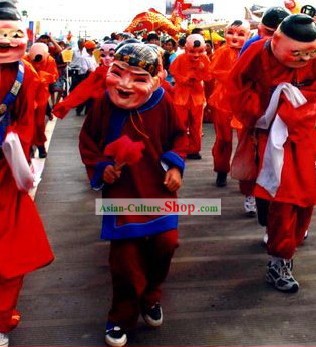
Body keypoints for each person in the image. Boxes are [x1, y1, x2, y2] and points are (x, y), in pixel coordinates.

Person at [79, 41, 187, 346]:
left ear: (156, 78)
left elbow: (179, 137)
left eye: (137, 78)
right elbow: (88, 140)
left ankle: (151, 293)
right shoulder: (104, 103)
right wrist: (102, 168)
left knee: (167, 243)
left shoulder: (164, 102)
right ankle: (120, 316)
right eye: (119, 73)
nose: (125, 84)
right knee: (125, 259)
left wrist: (176, 167)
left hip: (158, 188)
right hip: (121, 193)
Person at [227, 13, 316, 293]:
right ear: (276, 41)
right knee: (283, 196)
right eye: (297, 53)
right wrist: (265, 108)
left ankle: (288, 239)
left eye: (310, 52)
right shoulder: (257, 51)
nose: (304, 59)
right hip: (271, 137)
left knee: (306, 197)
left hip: (308, 134)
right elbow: (235, 88)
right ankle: (280, 258)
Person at [0, 1, 54, 346]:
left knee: (9, 249)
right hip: (6, 171)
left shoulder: (27, 74)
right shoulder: (29, 74)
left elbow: (30, 125)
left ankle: (2, 320)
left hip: (5, 176)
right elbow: (31, 129)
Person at [207, 20, 251, 187]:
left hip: (243, 101)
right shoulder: (222, 52)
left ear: (248, 36)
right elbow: (213, 71)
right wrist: (233, 76)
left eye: (240, 34)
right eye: (231, 32)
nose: (234, 37)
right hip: (223, 100)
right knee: (223, 138)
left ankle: (244, 173)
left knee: (245, 140)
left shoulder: (250, 51)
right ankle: (221, 170)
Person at [169, 33, 212, 159]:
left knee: (196, 124)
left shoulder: (205, 59)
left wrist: (199, 74)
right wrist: (186, 78)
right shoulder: (180, 58)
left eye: (200, 51)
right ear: (186, 49)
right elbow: (174, 72)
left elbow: (209, 75)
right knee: (180, 124)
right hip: (181, 96)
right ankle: (180, 148)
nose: (196, 55)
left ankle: (194, 149)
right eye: (192, 51)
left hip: (197, 96)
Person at [24, 42, 59, 158]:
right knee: (26, 123)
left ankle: (40, 146)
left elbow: (54, 76)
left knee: (39, 124)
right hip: (26, 95)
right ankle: (28, 148)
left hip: (41, 95)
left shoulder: (50, 60)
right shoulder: (24, 59)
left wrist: (41, 77)